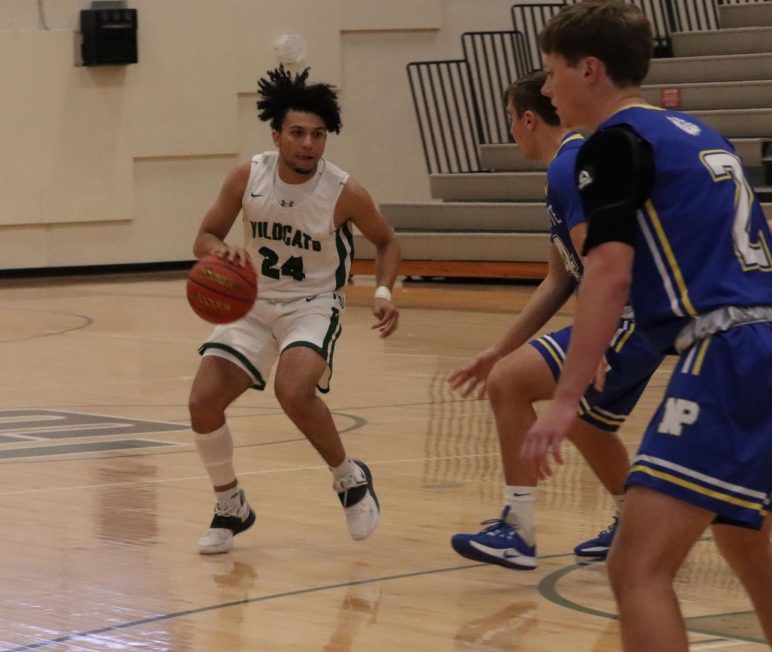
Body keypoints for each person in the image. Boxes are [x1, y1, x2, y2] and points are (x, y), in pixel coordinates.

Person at [523, 2, 772, 650]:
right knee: (746, 543)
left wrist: (569, 397)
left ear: (591, 70)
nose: (547, 90)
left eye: (552, 73)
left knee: (636, 566)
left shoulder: (613, 144)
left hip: (730, 348)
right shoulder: (700, 132)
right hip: (759, 336)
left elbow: (607, 273)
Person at [448, 70, 664, 570]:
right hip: (638, 318)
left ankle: (518, 529)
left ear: (528, 118)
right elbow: (557, 280)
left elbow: (601, 264)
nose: (510, 133)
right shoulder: (563, 169)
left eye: (510, 120)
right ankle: (632, 526)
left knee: (509, 385)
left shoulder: (570, 167)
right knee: (586, 423)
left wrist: (595, 344)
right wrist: (496, 349)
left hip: (629, 314)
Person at [188, 66, 401, 555]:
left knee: (294, 389)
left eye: (319, 135)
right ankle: (230, 506)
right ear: (277, 135)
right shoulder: (249, 175)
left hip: (313, 302)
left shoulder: (344, 191)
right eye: (299, 133)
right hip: (254, 300)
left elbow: (387, 241)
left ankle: (348, 478)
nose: (309, 144)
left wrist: (385, 293)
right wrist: (221, 254)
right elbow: (204, 237)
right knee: (202, 403)